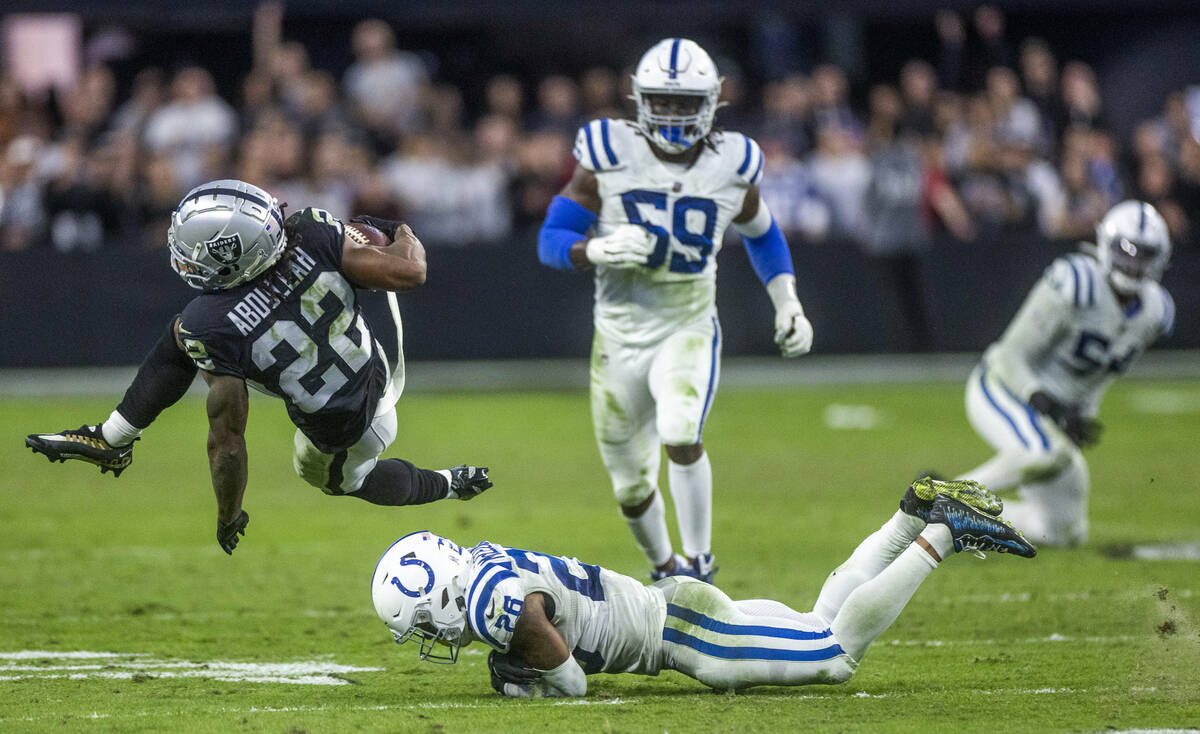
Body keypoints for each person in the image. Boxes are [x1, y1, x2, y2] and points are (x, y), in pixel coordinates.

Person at [26, 179, 492, 554]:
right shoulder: (309, 229)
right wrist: (400, 231)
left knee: (346, 482)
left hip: (348, 426)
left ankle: (449, 485)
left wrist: (230, 514)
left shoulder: (210, 324)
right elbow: (410, 271)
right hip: (371, 365)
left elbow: (227, 443)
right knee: (180, 338)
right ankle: (112, 436)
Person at [536, 38, 814, 583]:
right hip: (617, 337)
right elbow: (552, 238)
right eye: (662, 100)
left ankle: (701, 565)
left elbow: (763, 234)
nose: (671, 113)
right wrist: (592, 249)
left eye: (685, 102)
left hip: (686, 324)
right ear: (640, 99)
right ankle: (666, 570)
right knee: (631, 484)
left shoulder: (733, 163)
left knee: (681, 428)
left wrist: (788, 300)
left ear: (711, 103)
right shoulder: (608, 153)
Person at [369, 478, 1035, 697]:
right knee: (816, 620)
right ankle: (909, 514)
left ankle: (940, 534)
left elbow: (570, 683)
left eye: (423, 622)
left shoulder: (489, 601)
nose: (429, 634)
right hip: (673, 614)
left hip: (684, 634)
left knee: (834, 656)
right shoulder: (480, 563)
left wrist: (517, 669)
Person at [955, 200, 1174, 546]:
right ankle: (944, 498)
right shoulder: (1076, 282)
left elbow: (1101, 376)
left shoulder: (1154, 312)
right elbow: (1010, 355)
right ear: (1105, 245)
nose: (1132, 263)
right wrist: (1046, 403)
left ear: (1160, 259)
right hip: (1004, 388)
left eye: (1143, 254)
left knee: (1061, 531)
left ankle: (964, 515)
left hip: (1052, 411)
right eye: (1125, 251)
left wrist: (1078, 413)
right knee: (1044, 454)